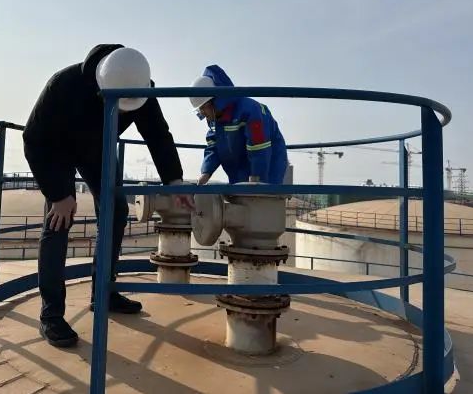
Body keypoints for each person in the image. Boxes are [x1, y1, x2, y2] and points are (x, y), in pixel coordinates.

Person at [23, 44, 193, 348]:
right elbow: (34, 139)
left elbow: (157, 134)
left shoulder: (141, 88)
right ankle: (51, 314)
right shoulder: (63, 85)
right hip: (56, 148)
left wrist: (174, 180)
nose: (125, 109)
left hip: (96, 148)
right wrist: (59, 194)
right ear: (100, 85)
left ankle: (104, 292)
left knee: (115, 211)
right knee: (59, 221)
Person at [189, 65, 288, 185]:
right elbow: (214, 146)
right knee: (242, 192)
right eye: (200, 109)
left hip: (268, 163)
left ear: (216, 101)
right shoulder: (215, 118)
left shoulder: (251, 111)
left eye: (204, 107)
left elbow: (260, 149)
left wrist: (257, 179)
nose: (202, 113)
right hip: (239, 167)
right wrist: (206, 172)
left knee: (263, 193)